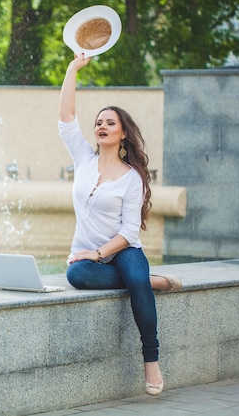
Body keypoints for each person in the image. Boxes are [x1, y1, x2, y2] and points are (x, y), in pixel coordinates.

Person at [58, 53, 182, 396]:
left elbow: (129, 233)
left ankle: (152, 361)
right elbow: (66, 118)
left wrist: (96, 253)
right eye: (98, 121)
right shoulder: (83, 158)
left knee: (129, 274)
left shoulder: (132, 178)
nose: (101, 125)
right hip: (91, 257)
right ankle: (146, 280)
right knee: (75, 275)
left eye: (110, 122)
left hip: (121, 249)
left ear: (123, 133)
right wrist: (73, 69)